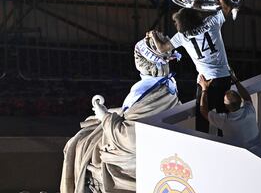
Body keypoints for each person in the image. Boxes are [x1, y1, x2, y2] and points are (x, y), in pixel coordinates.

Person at [60, 34, 180, 193]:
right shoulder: (166, 83)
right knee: (87, 128)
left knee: (79, 143)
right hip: (151, 140)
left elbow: (129, 138)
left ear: (144, 62)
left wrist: (104, 117)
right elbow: (133, 114)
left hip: (129, 157)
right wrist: (108, 112)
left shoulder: (147, 89)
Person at [148, 0, 237, 134]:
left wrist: (153, 35)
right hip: (225, 77)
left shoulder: (183, 36)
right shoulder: (212, 22)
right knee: (224, 118)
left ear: (181, 24)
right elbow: (228, 6)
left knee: (202, 119)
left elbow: (162, 49)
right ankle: (227, 143)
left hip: (206, 82)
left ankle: (202, 148)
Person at [198, 70, 261, 148]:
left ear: (226, 106)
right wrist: (235, 80)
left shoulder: (225, 121)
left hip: (241, 155)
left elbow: (203, 111)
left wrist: (204, 89)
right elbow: (246, 97)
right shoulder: (249, 111)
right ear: (240, 100)